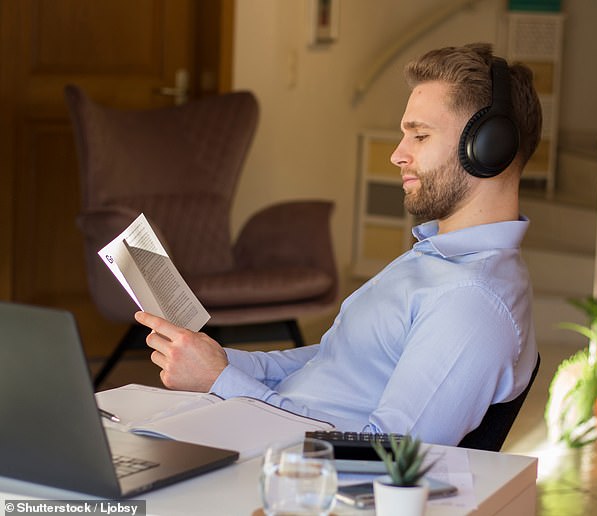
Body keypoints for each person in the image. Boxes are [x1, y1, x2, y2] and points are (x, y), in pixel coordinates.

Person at [135, 42, 541, 446]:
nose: (397, 155)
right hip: (267, 442)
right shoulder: (437, 257)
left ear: (490, 147)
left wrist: (220, 382)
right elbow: (333, 362)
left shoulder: (470, 301)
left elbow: (385, 455)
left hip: (298, 480)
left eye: (419, 136)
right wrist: (217, 362)